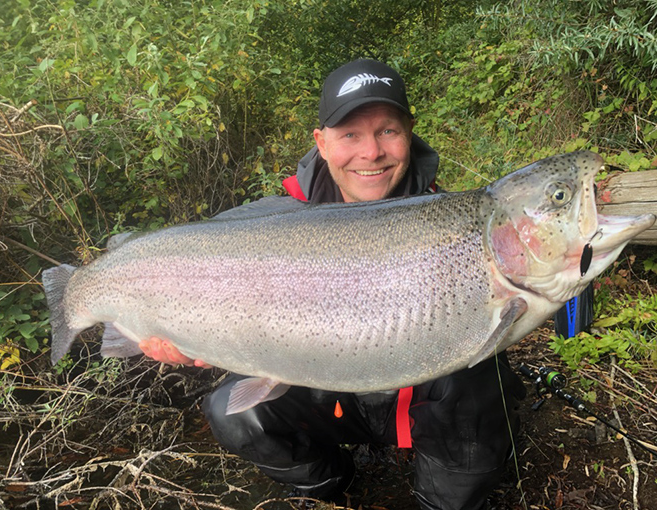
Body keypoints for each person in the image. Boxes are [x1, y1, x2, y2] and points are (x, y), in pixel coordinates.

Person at [141, 59, 526, 510]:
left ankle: (442, 497)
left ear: (409, 133)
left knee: (482, 385)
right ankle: (325, 485)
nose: (371, 152)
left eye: (387, 131)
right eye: (350, 135)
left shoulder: (453, 220)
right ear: (321, 143)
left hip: (418, 402)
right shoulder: (272, 225)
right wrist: (185, 335)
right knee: (235, 411)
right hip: (324, 395)